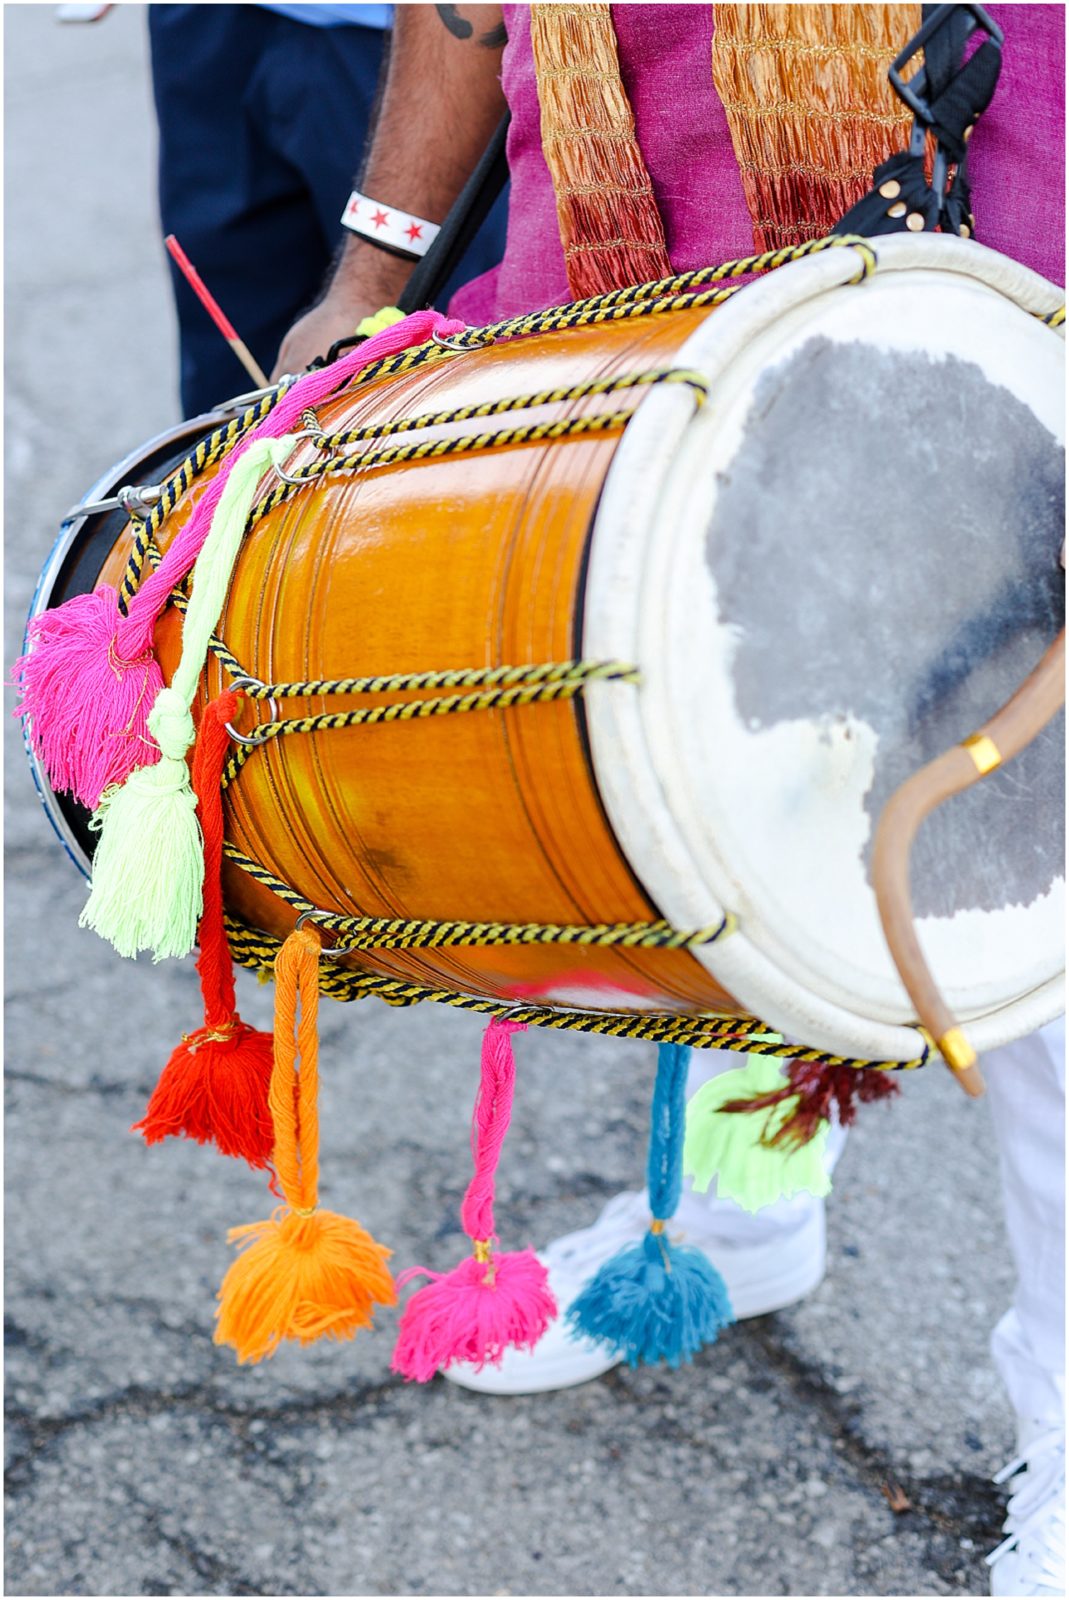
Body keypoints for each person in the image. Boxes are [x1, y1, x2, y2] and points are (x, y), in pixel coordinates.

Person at [273, 7, 1065, 1595]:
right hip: (633, 270)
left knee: (1024, 884)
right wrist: (373, 271)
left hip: (980, 240)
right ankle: (734, 1208)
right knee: (692, 789)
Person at [147, 3, 509, 417]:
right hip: (208, 26)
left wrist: (366, 292)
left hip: (414, 46)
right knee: (226, 402)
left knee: (432, 397)